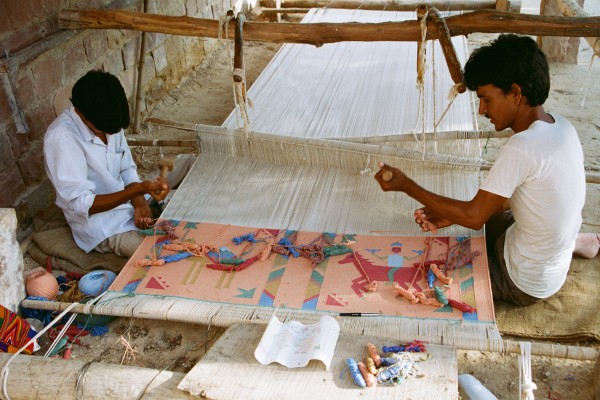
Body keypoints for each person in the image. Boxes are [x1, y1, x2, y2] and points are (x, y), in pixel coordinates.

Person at [375, 34, 599, 306]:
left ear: (516, 93)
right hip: (548, 257)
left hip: (524, 282)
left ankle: (569, 244)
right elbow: (516, 199)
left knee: (431, 279)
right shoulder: (560, 126)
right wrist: (453, 216)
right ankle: (573, 242)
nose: (481, 109)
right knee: (487, 220)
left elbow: (474, 217)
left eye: (486, 99)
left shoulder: (523, 146)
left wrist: (406, 185)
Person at [44, 70, 170, 258]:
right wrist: (136, 191)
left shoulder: (108, 119)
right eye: (104, 131)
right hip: (103, 224)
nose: (111, 135)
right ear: (81, 113)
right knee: (157, 255)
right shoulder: (62, 139)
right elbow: (80, 204)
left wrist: (139, 202)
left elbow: (126, 167)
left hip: (128, 202)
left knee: (190, 217)